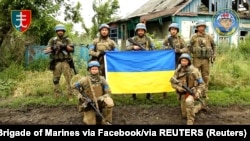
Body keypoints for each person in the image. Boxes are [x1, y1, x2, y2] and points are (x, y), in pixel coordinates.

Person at [71, 61, 114, 125]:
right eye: (93, 69)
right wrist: (79, 95)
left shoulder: (102, 79)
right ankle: (87, 115)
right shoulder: (84, 80)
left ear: (98, 70)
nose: (94, 71)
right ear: (89, 70)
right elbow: (73, 87)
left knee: (110, 103)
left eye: (96, 69)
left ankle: (106, 120)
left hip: (100, 100)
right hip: (89, 103)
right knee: (91, 123)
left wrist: (102, 97)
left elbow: (108, 91)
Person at [170, 53, 206, 125]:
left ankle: (190, 121)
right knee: (184, 115)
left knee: (189, 102)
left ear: (189, 61)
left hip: (192, 92)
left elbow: (202, 84)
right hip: (183, 94)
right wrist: (179, 88)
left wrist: (198, 92)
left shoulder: (194, 71)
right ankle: (199, 107)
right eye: (182, 60)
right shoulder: (177, 71)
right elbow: (172, 83)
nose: (183, 62)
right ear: (180, 61)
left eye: (185, 61)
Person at [44, 24, 74, 101]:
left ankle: (70, 96)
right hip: (56, 62)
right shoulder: (52, 40)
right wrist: (53, 48)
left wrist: (64, 46)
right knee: (55, 80)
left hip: (66, 62)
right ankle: (57, 95)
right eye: (58, 31)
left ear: (63, 32)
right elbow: (46, 51)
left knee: (69, 79)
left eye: (61, 31)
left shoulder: (67, 40)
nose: (60, 32)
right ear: (56, 32)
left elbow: (72, 49)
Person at [188, 20, 216, 99]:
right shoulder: (194, 37)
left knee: (205, 76)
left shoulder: (208, 36)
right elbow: (189, 46)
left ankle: (205, 93)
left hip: (205, 60)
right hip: (196, 59)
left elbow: (214, 46)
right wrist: (189, 56)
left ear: (204, 27)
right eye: (200, 26)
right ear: (197, 27)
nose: (201, 28)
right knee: (195, 76)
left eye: (203, 26)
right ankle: (196, 93)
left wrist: (214, 55)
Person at [127, 23, 155, 100]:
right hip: (135, 61)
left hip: (146, 61)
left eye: (142, 30)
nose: (140, 32)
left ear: (144, 31)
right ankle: (133, 95)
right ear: (136, 31)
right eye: (139, 30)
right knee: (134, 78)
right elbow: (127, 48)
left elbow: (153, 49)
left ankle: (149, 94)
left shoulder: (149, 39)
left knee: (148, 77)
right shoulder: (133, 39)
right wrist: (133, 47)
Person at [162, 23, 189, 98]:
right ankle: (164, 93)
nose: (173, 31)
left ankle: (179, 92)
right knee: (167, 75)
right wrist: (168, 49)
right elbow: (163, 47)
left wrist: (179, 50)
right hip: (169, 60)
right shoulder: (167, 39)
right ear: (169, 31)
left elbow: (186, 49)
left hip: (178, 59)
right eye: (172, 29)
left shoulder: (180, 39)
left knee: (179, 76)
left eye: (175, 29)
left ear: (177, 31)